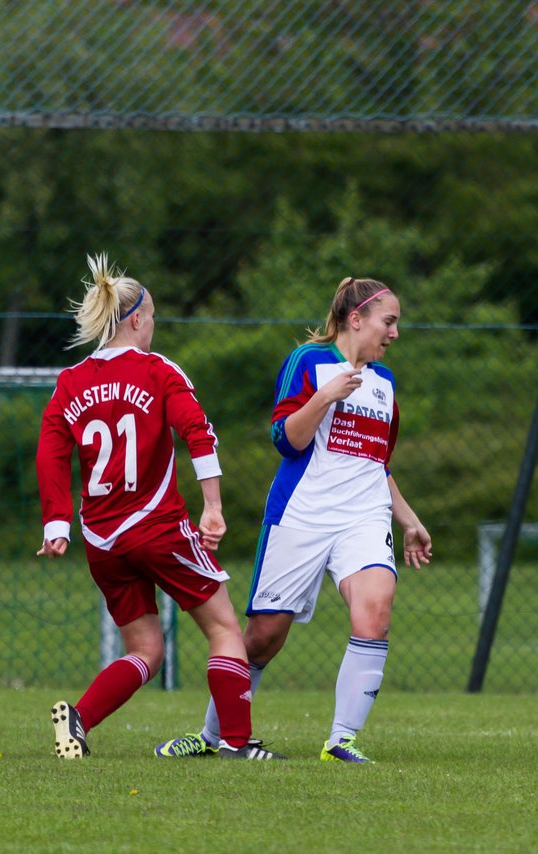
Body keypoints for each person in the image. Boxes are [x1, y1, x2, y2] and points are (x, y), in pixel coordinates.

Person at [158, 276, 432, 763]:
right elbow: (287, 440)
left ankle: (341, 741)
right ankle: (212, 734)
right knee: (263, 637)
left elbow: (377, 465)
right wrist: (325, 396)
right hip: (301, 516)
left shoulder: (385, 384)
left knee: (375, 611)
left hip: (363, 520)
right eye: (388, 322)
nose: (394, 333)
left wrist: (408, 519)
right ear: (356, 319)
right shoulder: (307, 362)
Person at [36, 253, 283, 761]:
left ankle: (79, 719)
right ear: (137, 319)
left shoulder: (71, 381)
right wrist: (212, 505)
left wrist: (57, 522)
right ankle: (238, 743)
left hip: (102, 540)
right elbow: (199, 433)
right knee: (223, 630)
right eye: (153, 320)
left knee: (144, 650)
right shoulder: (156, 370)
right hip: (157, 526)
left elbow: (51, 454)